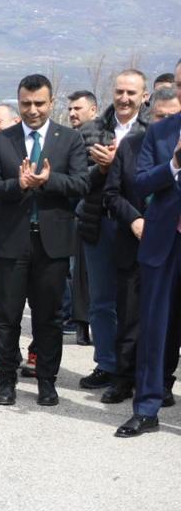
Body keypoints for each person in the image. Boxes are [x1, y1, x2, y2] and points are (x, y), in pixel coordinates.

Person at [0, 74, 91, 408]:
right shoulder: (2, 141)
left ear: (51, 102)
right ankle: (6, 379)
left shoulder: (69, 139)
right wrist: (19, 185)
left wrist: (47, 181)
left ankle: (46, 380)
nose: (32, 110)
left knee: (49, 316)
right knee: (8, 315)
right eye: (26, 103)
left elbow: (82, 184)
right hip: (12, 243)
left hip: (53, 244)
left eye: (39, 103)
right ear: (19, 102)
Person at [102, 88, 181, 406]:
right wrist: (174, 164)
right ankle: (147, 406)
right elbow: (141, 182)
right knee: (153, 327)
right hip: (166, 242)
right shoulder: (161, 133)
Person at [74, 69, 151, 393]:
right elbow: (77, 179)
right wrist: (101, 169)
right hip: (99, 222)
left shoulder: (154, 130)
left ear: (144, 96)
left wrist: (122, 164)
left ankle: (135, 368)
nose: (124, 98)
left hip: (136, 224)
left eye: (131, 93)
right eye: (119, 91)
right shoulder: (92, 130)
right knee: (101, 301)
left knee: (135, 304)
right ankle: (106, 363)